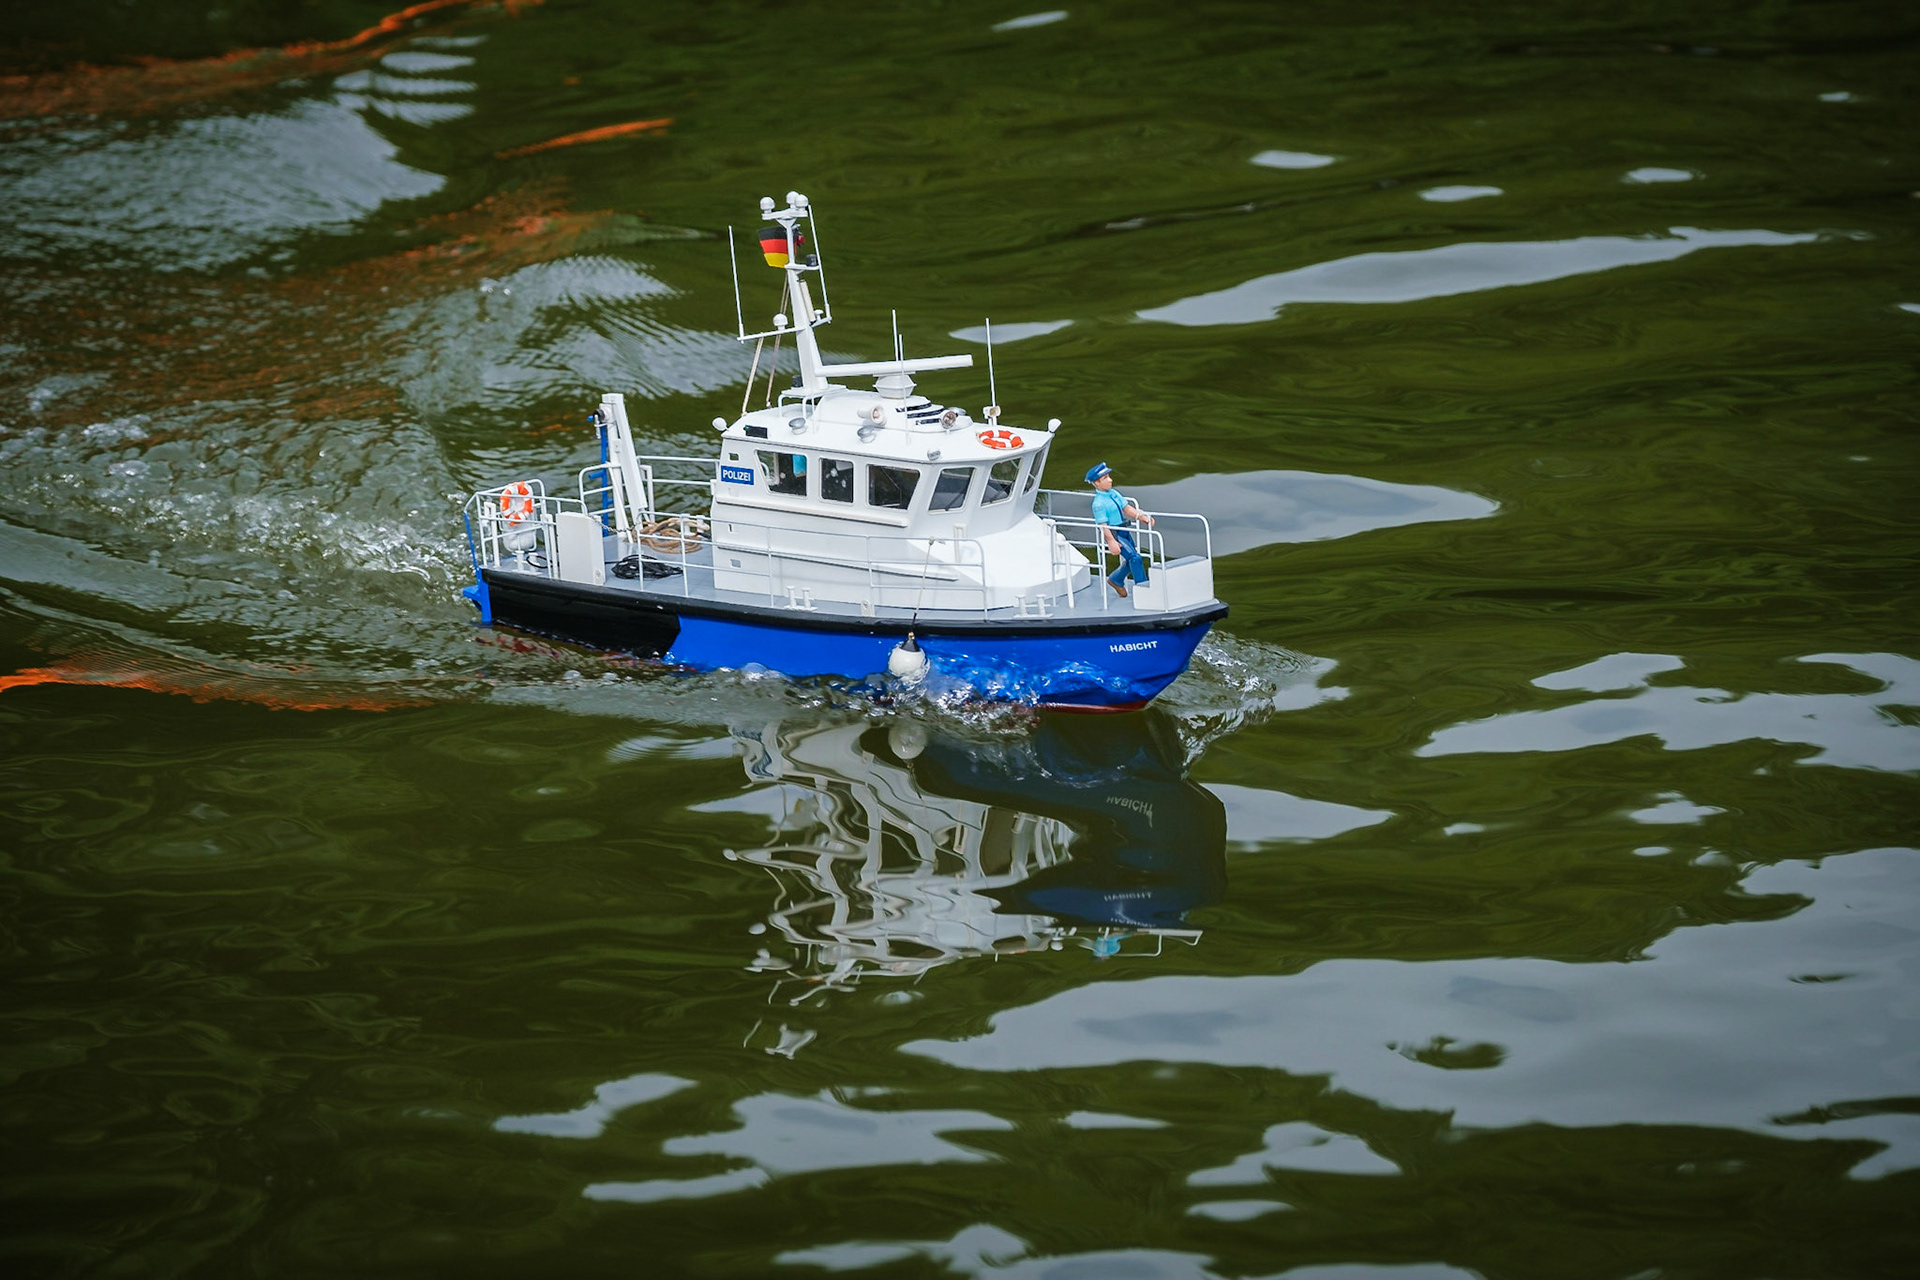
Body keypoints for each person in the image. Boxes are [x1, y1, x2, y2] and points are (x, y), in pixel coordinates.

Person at [1085, 461, 1153, 597]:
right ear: (1096, 483)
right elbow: (1103, 525)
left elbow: (1127, 508)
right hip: (1115, 533)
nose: (1110, 480)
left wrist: (1141, 516)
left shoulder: (1114, 493)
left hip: (1124, 530)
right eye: (1105, 478)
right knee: (1135, 558)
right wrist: (1111, 541)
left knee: (1131, 558)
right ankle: (1143, 588)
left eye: (1109, 476)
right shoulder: (1098, 504)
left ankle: (1116, 579)